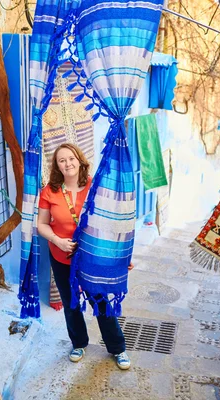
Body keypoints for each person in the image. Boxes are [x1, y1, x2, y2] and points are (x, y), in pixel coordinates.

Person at [37, 143, 133, 370]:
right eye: (62, 160)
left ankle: (118, 348)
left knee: (100, 302)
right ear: (57, 166)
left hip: (92, 257)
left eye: (71, 158)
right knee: (70, 303)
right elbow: (41, 225)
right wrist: (58, 241)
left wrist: (120, 258)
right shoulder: (49, 191)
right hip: (61, 257)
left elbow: (113, 222)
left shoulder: (95, 187)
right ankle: (78, 343)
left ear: (80, 160)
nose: (67, 163)